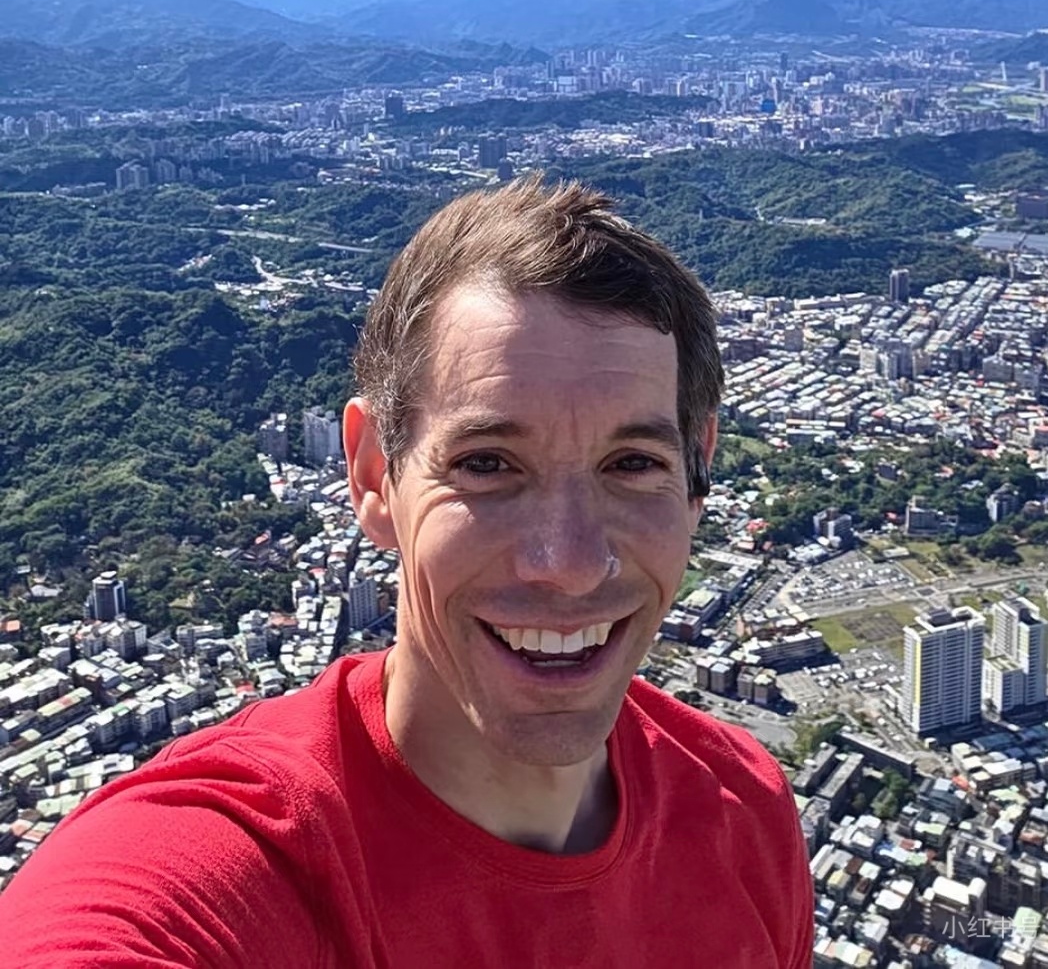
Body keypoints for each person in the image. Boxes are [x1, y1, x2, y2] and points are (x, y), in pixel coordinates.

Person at [0, 176, 814, 967]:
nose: (567, 565)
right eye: (487, 464)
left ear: (698, 473)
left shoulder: (745, 811)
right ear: (372, 477)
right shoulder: (234, 863)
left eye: (633, 464)